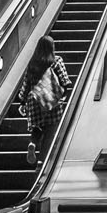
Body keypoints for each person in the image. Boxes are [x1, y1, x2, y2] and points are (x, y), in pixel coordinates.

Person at [19, 35, 70, 168]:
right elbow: (64, 81)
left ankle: (33, 143)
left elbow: (26, 84)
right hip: (51, 102)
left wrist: (22, 103)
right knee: (50, 131)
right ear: (51, 47)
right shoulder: (56, 61)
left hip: (35, 102)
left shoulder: (33, 63)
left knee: (38, 127)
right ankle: (42, 162)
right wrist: (64, 95)